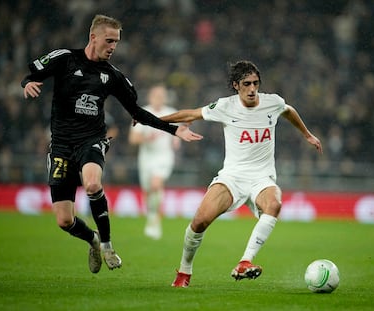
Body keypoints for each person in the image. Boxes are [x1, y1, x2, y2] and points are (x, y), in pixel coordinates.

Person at [21, 14, 202, 274]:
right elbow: (30, 75)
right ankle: (93, 240)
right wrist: (27, 84)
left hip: (91, 141)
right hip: (61, 145)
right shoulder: (64, 59)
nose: (113, 46)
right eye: (109, 40)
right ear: (93, 37)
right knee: (64, 220)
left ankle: (107, 244)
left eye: (116, 41)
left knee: (93, 183)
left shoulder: (112, 76)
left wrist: (174, 129)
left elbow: (137, 113)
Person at [160, 60, 323, 287]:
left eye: (256, 83)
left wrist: (306, 134)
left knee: (274, 205)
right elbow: (191, 114)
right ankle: (184, 272)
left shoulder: (272, 102)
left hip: (262, 178)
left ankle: (245, 261)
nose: (252, 89)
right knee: (199, 222)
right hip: (232, 178)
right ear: (236, 85)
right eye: (247, 84)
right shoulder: (225, 106)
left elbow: (288, 110)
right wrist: (154, 121)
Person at [129, 84, 180, 240]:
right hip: (146, 158)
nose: (159, 98)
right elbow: (133, 139)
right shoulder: (142, 112)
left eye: (162, 95)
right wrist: (146, 138)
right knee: (148, 190)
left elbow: (177, 134)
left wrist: (176, 141)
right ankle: (152, 217)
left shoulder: (171, 113)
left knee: (156, 184)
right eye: (156, 95)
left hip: (164, 156)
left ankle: (155, 221)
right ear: (151, 97)